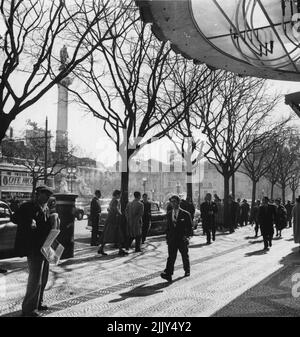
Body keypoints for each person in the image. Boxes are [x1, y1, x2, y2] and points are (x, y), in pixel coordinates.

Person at [11, 185, 53, 317]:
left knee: (44, 278)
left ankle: (38, 303)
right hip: (34, 247)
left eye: (48, 195)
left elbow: (45, 226)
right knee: (35, 279)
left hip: (45, 247)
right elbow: (15, 218)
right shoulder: (27, 206)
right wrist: (29, 221)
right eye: (44, 194)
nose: (46, 197)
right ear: (37, 194)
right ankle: (29, 309)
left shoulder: (46, 208)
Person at [160, 195, 193, 283]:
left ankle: (187, 270)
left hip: (182, 239)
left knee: (184, 256)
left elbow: (190, 228)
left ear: (178, 202)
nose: (173, 203)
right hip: (172, 239)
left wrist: (187, 237)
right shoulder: (169, 214)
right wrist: (167, 238)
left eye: (175, 201)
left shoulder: (185, 214)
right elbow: (167, 228)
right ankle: (168, 274)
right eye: (172, 201)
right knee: (171, 257)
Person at [98, 190, 128, 256]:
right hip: (114, 220)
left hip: (110, 219)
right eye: (119, 194)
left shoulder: (112, 200)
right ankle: (120, 250)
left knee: (109, 234)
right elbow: (115, 209)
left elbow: (110, 209)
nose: (120, 196)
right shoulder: (116, 201)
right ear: (117, 194)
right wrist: (121, 214)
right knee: (117, 234)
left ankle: (102, 248)